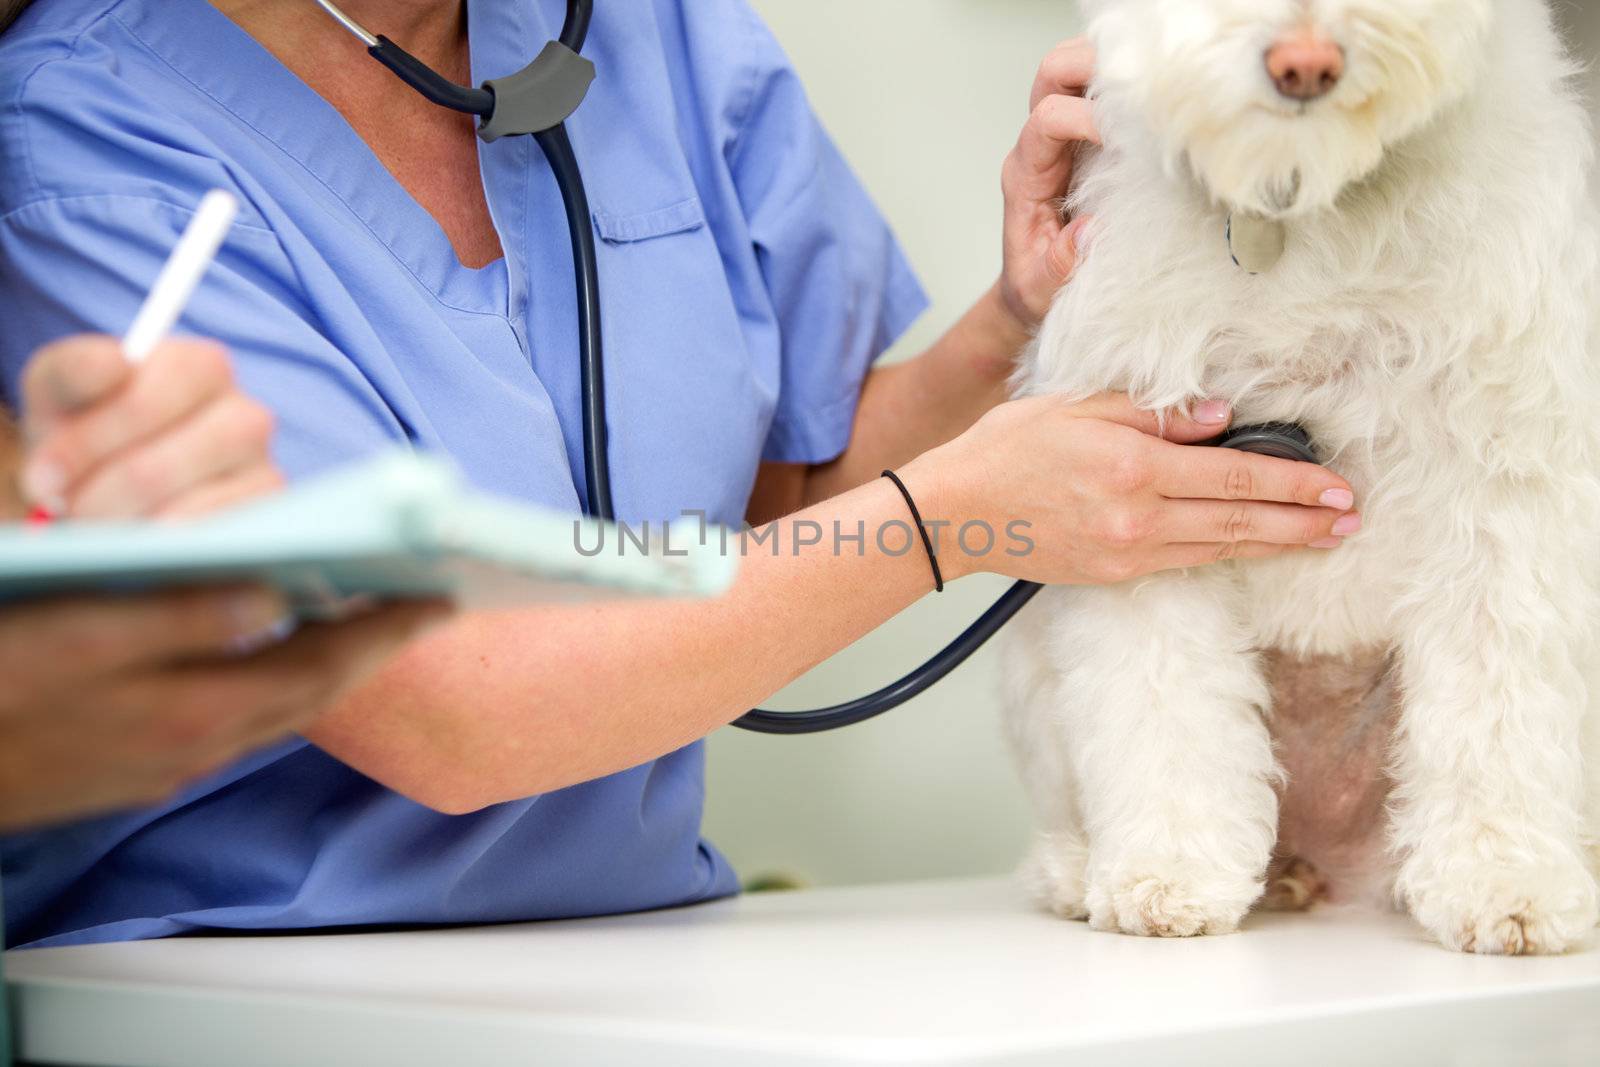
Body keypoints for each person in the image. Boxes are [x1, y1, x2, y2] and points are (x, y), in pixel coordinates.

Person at [0, 0, 1360, 949]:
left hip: (648, 947)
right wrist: (966, 516)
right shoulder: (95, 139)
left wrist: (1016, 317)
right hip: (229, 981)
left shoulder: (652, 34)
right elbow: (447, 717)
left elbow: (774, 521)